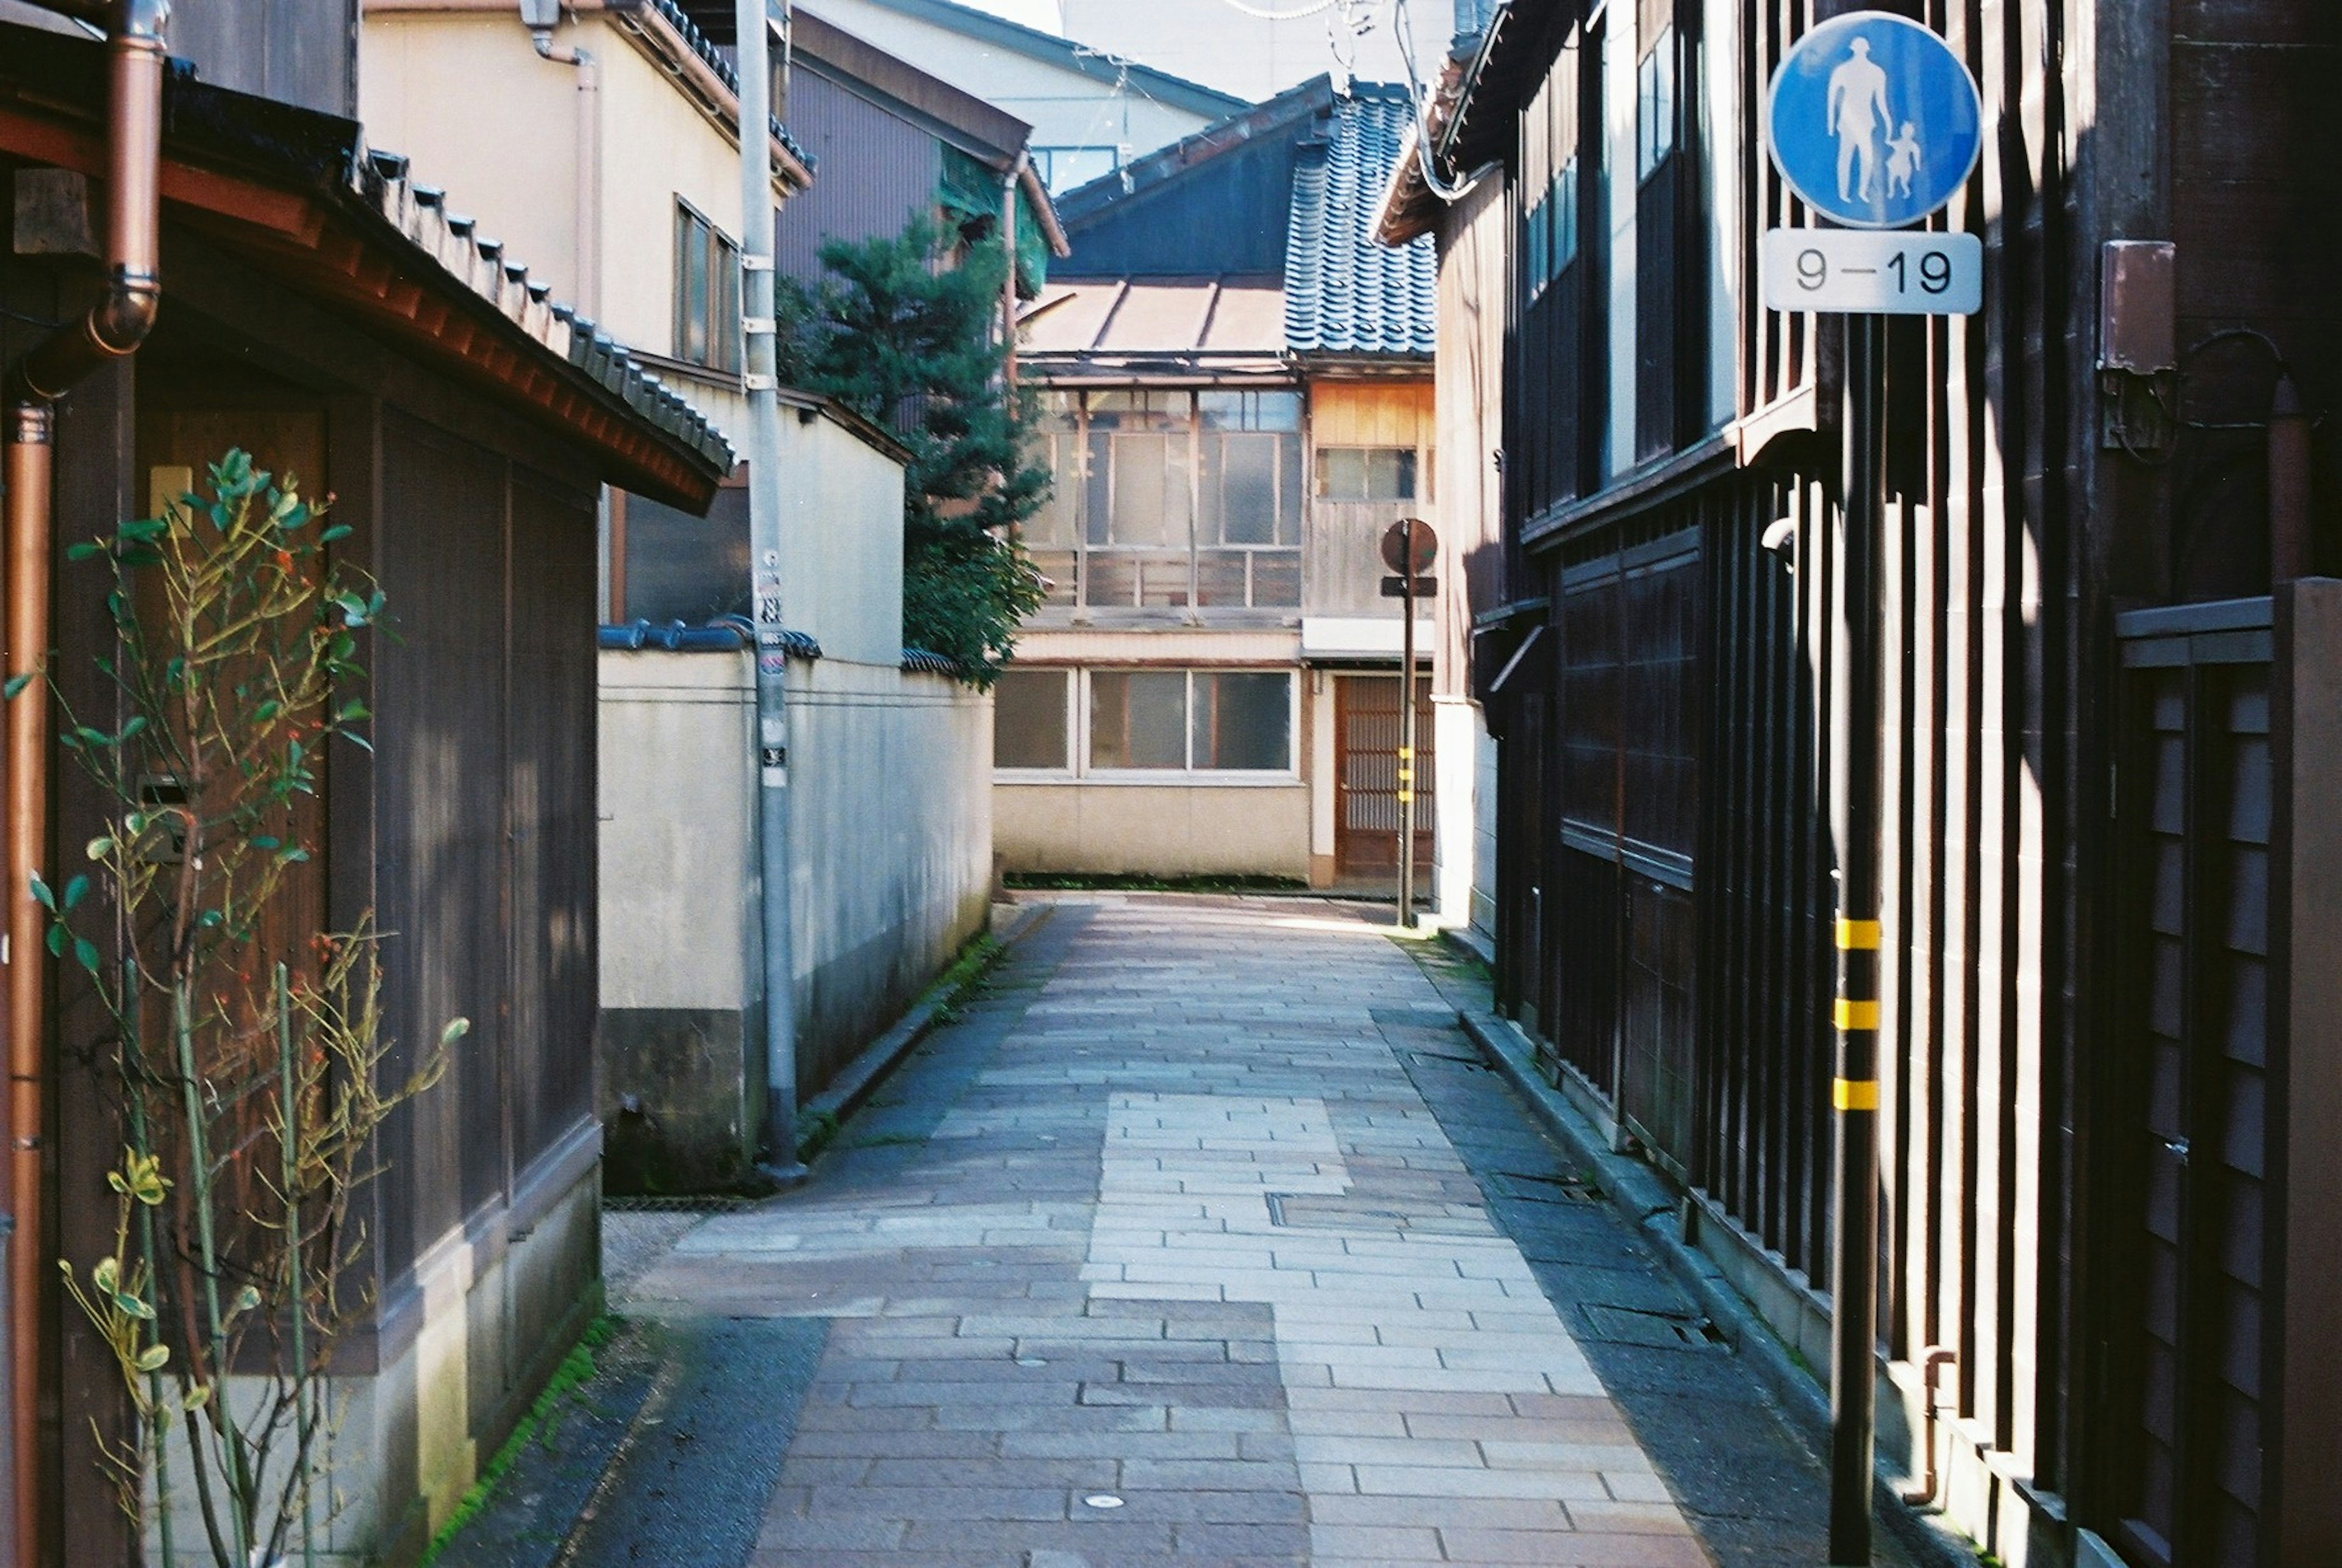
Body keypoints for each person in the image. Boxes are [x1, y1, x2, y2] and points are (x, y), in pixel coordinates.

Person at [1826, 36, 1893, 204]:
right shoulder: (1843, 70)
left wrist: (1889, 124)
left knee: (1865, 157)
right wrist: (1831, 124)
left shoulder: (1876, 72)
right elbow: (1832, 99)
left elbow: (1881, 102)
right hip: (1848, 122)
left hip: (1865, 120)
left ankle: (1861, 193)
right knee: (1847, 157)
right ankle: (1844, 194)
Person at [1885, 120, 1922, 200]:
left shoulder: (1912, 145)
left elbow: (1917, 155)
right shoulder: (1899, 141)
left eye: (1908, 131)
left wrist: (1918, 166)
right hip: (1895, 162)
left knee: (1904, 183)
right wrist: (1888, 141)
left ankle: (1907, 192)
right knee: (1891, 179)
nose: (1905, 133)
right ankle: (1891, 192)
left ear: (1912, 133)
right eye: (1904, 130)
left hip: (1905, 165)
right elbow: (1892, 143)